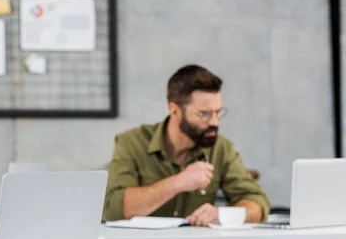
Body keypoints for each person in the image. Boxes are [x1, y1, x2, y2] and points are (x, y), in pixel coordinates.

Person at [103, 65, 270, 226]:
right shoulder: (131, 143)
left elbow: (258, 202)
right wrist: (178, 183)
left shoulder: (221, 149)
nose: (214, 122)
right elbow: (113, 209)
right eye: (204, 114)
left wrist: (224, 215)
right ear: (175, 111)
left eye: (218, 112)